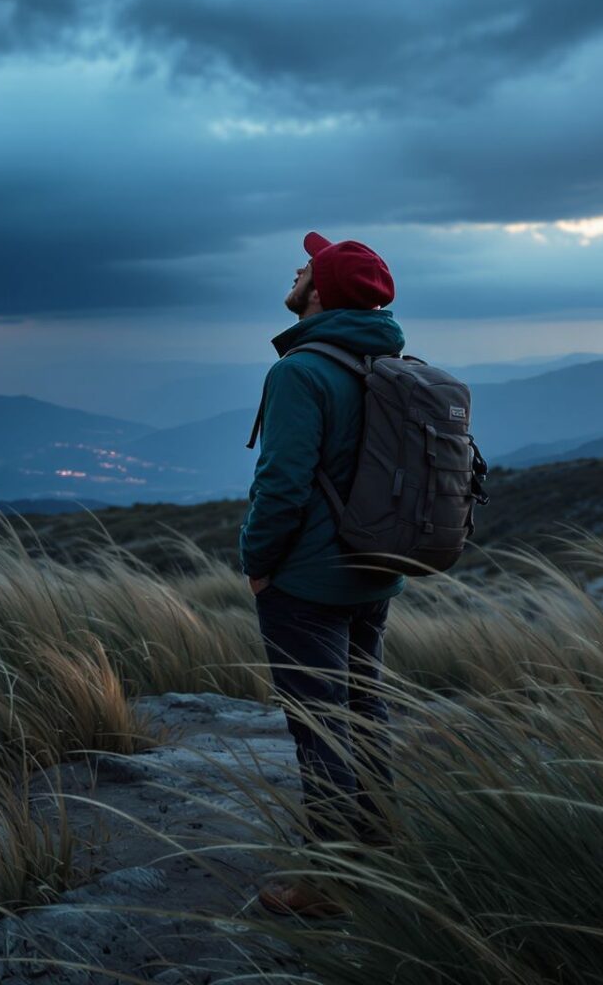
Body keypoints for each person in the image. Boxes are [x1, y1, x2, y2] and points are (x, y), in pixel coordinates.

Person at [242, 231, 404, 918]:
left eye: (309, 266)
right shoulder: (389, 363)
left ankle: (329, 880)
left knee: (319, 724)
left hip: (308, 579)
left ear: (320, 293)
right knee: (364, 708)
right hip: (376, 569)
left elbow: (282, 484)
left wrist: (258, 562)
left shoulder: (300, 371)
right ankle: (379, 847)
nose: (299, 269)